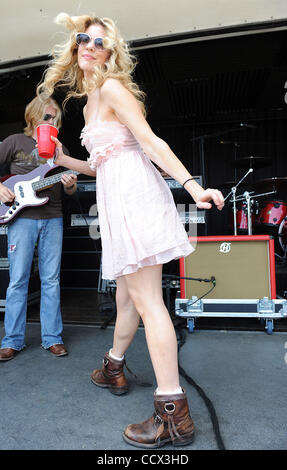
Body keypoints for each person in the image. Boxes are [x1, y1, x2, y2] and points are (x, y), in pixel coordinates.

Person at [37, 13, 224, 448]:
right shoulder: (88, 103)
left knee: (146, 300)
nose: (90, 45)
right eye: (83, 38)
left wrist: (192, 186)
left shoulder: (113, 88)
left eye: (100, 42)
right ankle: (114, 365)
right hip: (116, 196)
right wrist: (64, 160)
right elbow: (101, 164)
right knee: (126, 294)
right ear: (75, 46)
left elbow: (151, 142)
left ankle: (172, 413)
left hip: (135, 199)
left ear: (112, 52)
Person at [0, 96, 78, 361]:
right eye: (47, 116)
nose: (51, 121)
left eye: (55, 117)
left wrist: (69, 183)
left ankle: (52, 338)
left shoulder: (59, 148)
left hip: (52, 216)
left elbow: (70, 188)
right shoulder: (14, 142)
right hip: (21, 219)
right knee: (18, 280)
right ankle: (12, 340)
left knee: (51, 279)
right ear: (33, 115)